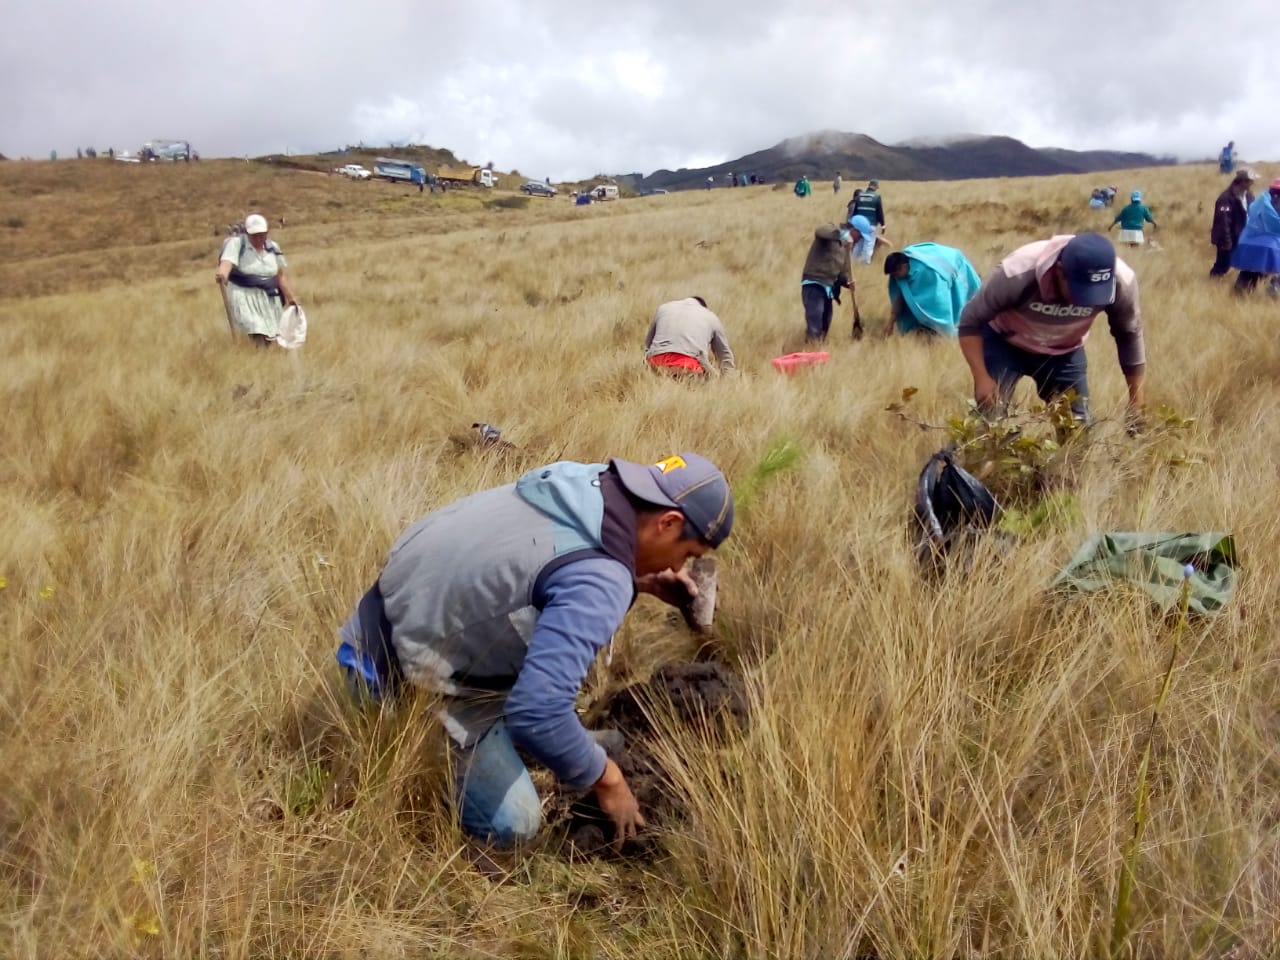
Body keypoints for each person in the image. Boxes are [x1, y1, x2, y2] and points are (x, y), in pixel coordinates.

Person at [335, 452, 734, 847]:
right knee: (517, 824)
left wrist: (637, 579)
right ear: (668, 522)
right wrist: (608, 780)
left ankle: (546, 743)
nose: (679, 565)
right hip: (398, 682)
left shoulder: (582, 484)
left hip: (379, 619)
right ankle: (444, 759)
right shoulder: (600, 581)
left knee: (554, 712)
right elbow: (537, 711)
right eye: (688, 553)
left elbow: (540, 568)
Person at [957, 232, 1145, 425]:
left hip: (1064, 351)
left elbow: (1129, 334)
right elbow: (970, 322)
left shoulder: (1121, 281)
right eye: (1079, 291)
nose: (1083, 302)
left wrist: (1135, 405)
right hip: (1004, 342)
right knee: (988, 419)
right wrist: (981, 377)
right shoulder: (1017, 272)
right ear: (1060, 271)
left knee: (1077, 427)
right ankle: (952, 456)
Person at [215, 213, 300, 346]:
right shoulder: (237, 244)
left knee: (272, 333)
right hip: (244, 296)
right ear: (247, 233)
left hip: (269, 298)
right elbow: (227, 262)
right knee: (255, 327)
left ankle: (263, 358)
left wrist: (290, 297)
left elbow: (280, 275)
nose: (259, 238)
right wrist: (223, 274)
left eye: (262, 234)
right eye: (254, 235)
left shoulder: (273, 247)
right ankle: (259, 353)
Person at [883, 244, 981, 337]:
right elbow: (900, 297)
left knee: (960, 304)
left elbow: (940, 302)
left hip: (951, 269)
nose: (895, 278)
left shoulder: (928, 273)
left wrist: (945, 328)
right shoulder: (900, 276)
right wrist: (891, 322)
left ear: (904, 266)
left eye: (896, 274)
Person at [644, 297, 736, 376]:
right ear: (703, 306)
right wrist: (729, 379)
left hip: (656, 362)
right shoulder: (711, 317)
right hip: (689, 365)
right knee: (711, 380)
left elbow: (647, 345)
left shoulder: (663, 308)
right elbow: (724, 355)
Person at [800, 221, 853, 342]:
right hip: (814, 283)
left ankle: (818, 346)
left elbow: (841, 273)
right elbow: (820, 230)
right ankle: (812, 347)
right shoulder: (827, 237)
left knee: (826, 319)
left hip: (829, 288)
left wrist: (847, 282)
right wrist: (842, 235)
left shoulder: (844, 250)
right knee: (815, 317)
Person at [1231, 178, 1280, 294]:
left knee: (1249, 271)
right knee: (1276, 273)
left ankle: (1239, 293)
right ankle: (1274, 293)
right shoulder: (1277, 205)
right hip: (1270, 247)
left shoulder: (1260, 201)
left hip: (1246, 243)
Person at [1210, 168, 1257, 278]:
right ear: (1243, 181)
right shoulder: (1225, 199)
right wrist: (1226, 242)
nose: (1253, 183)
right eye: (1250, 181)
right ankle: (1212, 284)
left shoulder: (1249, 196)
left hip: (1243, 237)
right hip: (1228, 238)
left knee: (1243, 265)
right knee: (1222, 265)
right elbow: (1223, 222)